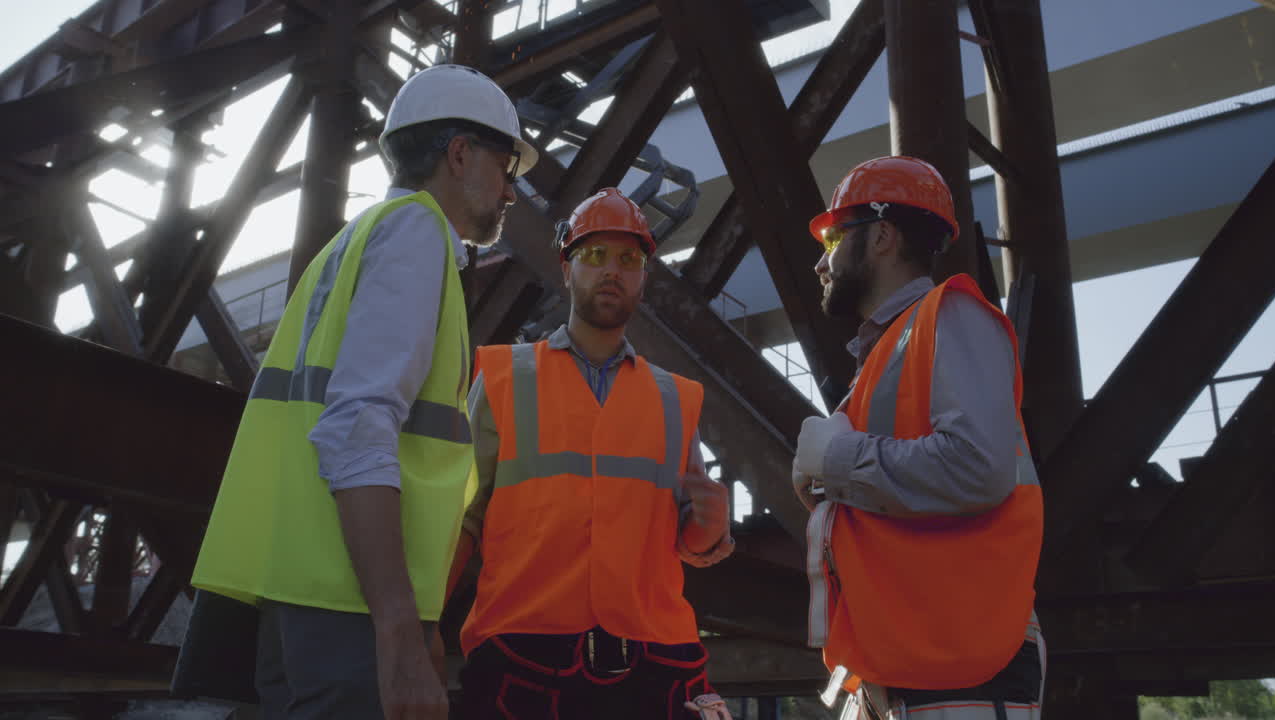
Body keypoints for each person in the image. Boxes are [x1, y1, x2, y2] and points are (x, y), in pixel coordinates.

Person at [186, 64, 537, 719]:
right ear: (460, 154)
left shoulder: (353, 242)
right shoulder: (416, 233)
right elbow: (358, 424)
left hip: (304, 590)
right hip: (348, 603)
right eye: (507, 165)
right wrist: (400, 630)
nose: (512, 193)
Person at [452, 187, 735, 719]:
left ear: (644, 277)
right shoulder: (503, 379)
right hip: (524, 661)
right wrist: (419, 629)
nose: (613, 271)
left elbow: (694, 542)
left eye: (629, 259)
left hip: (655, 669)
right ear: (567, 270)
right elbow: (461, 522)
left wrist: (712, 527)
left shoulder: (675, 398)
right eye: (595, 256)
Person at [793, 156, 1045, 719]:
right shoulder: (886, 352)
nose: (819, 262)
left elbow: (978, 468)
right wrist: (823, 485)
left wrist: (836, 459)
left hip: (961, 654)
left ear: (882, 236)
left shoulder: (949, 316)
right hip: (910, 658)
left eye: (833, 236)